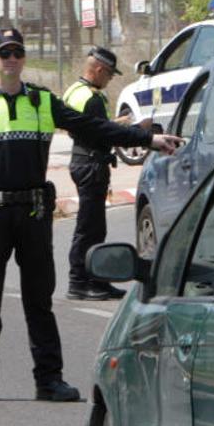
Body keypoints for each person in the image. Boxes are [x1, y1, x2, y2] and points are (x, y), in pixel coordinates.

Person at [0, 28, 183, 403]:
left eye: (16, 52)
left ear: (23, 59)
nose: (10, 59)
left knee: (39, 300)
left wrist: (146, 139)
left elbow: (93, 128)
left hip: (33, 211)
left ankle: (49, 379)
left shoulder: (42, 102)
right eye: (3, 53)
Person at [61, 46, 149, 301]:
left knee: (92, 227)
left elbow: (91, 127)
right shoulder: (92, 98)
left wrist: (118, 124)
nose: (109, 80)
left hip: (83, 160)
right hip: (91, 164)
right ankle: (80, 281)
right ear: (99, 70)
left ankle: (97, 279)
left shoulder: (74, 92)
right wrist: (136, 130)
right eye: (109, 75)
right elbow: (103, 133)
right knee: (90, 229)